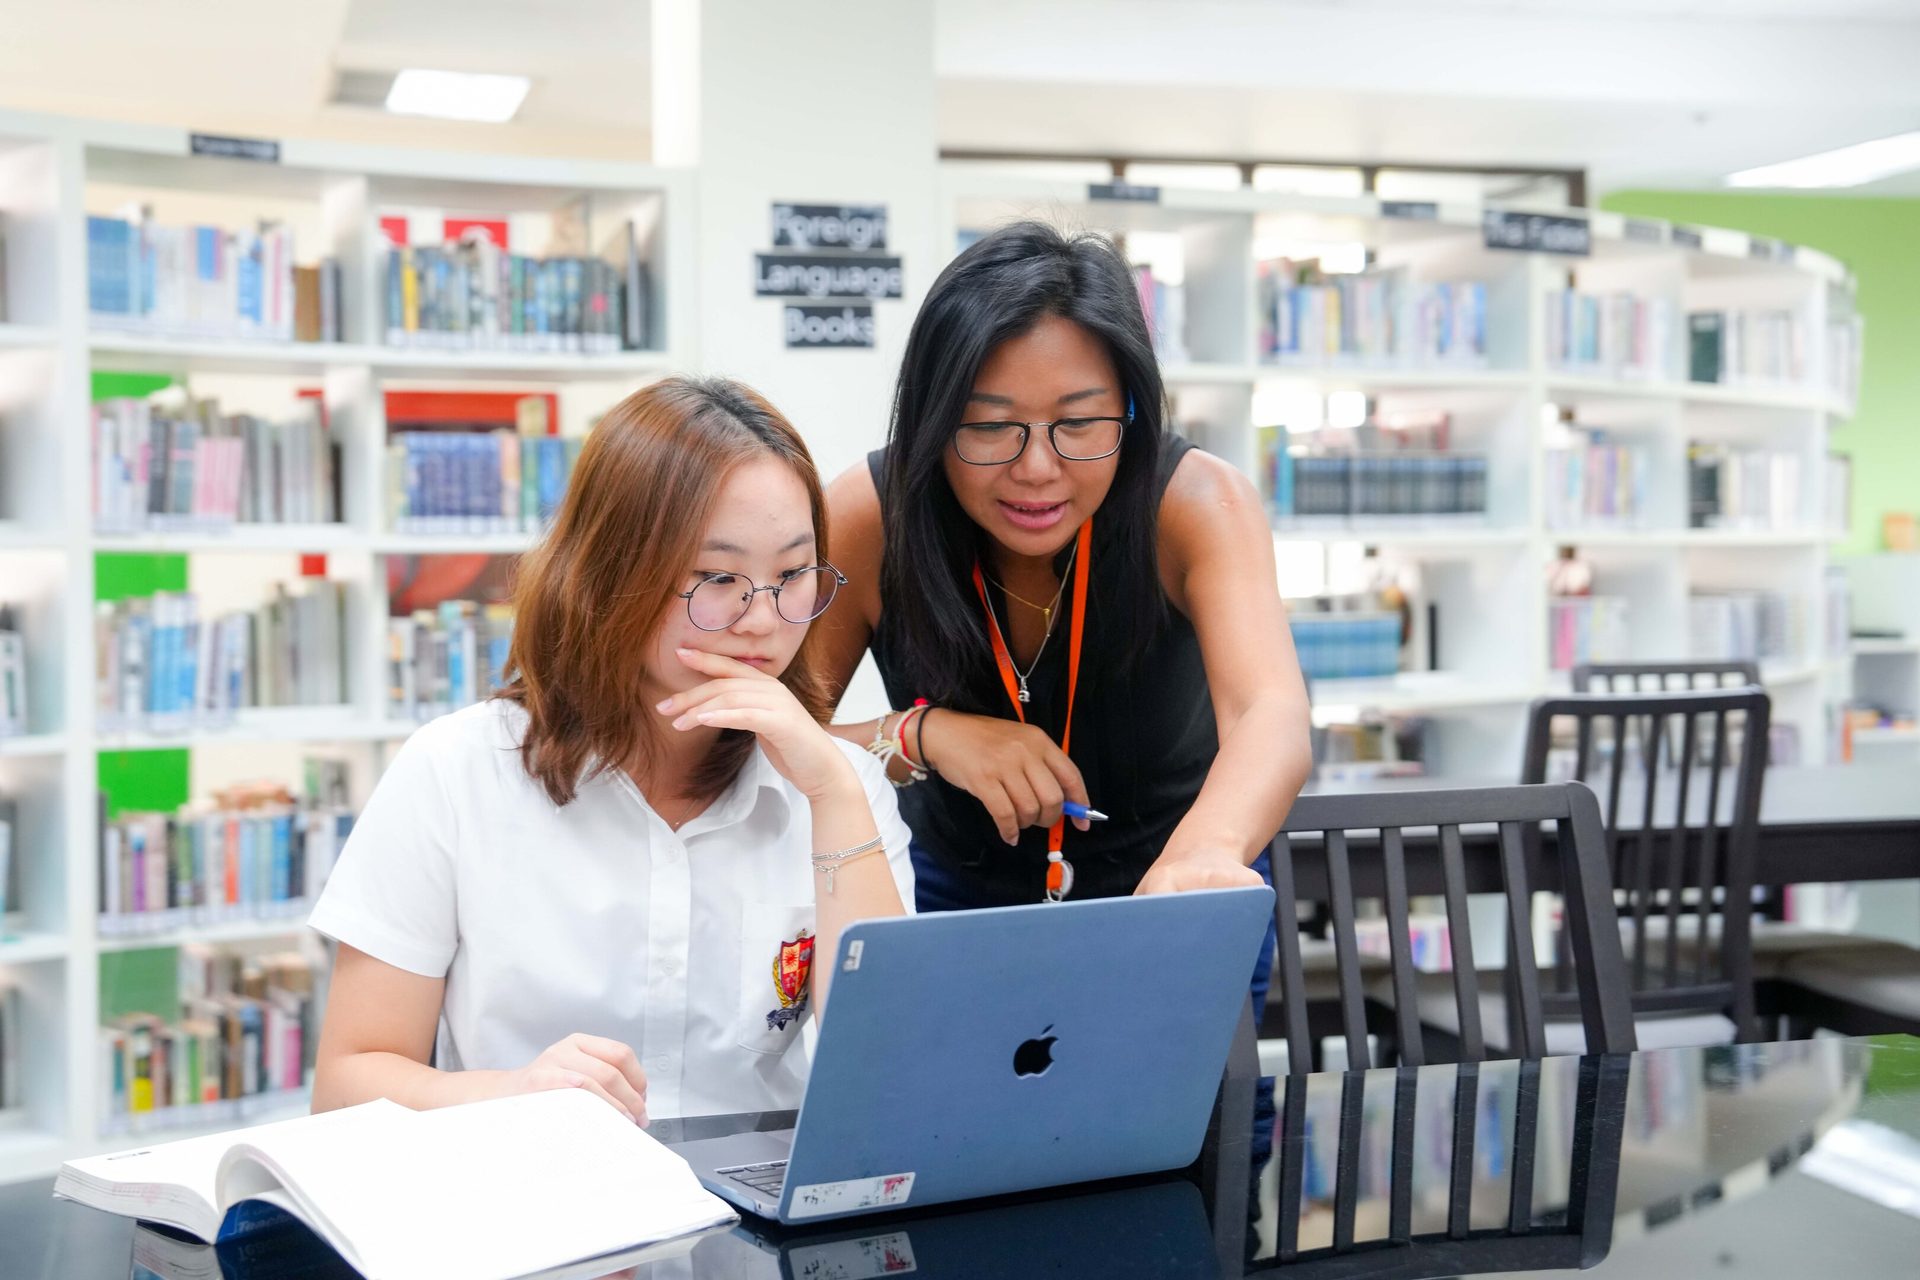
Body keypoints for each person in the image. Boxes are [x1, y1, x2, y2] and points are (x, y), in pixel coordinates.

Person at [309, 376, 913, 1125]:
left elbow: (900, 1085)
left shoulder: (838, 789)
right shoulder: (454, 773)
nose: (765, 620)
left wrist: (835, 795)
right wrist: (512, 1096)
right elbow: (344, 1085)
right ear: (611, 573)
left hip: (750, 1229)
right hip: (532, 1211)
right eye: (718, 578)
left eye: (792, 575)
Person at [818, 220, 1312, 919]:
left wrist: (1204, 853)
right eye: (989, 426)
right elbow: (763, 744)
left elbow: (1272, 712)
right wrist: (920, 734)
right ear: (933, 419)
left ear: (1130, 412)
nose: (1038, 470)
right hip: (943, 895)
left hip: (1175, 887)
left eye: (1079, 423)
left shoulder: (1197, 503)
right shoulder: (872, 516)